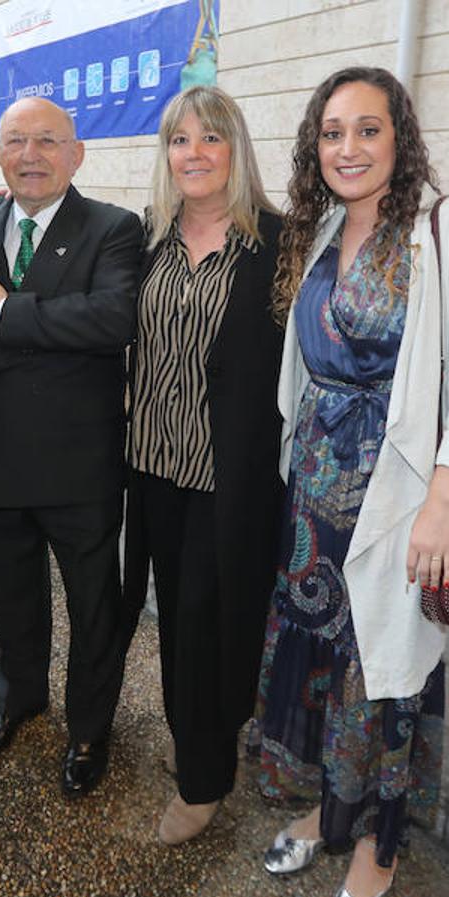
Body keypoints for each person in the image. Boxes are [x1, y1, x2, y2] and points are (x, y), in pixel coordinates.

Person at [248, 67, 449, 897]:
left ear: (401, 135)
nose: (349, 147)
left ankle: (379, 843)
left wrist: (442, 502)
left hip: (395, 494)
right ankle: (330, 813)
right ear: (313, 146)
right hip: (314, 493)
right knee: (321, 654)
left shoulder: (446, 228)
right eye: (332, 132)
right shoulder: (321, 229)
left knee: (385, 669)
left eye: (368, 128)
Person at [0, 98, 142, 798]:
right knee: (10, 595)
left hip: (78, 461)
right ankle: (17, 698)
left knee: (94, 605)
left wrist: (3, 314)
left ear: (76, 154)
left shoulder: (114, 228)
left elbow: (113, 316)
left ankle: (90, 727)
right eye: (15, 141)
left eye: (47, 141)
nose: (30, 154)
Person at [120, 86, 284, 844]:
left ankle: (204, 782)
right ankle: (200, 743)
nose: (193, 154)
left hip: (229, 479)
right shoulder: (147, 239)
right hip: (153, 469)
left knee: (209, 626)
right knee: (181, 623)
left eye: (209, 139)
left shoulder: (278, 247)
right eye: (178, 141)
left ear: (235, 151)